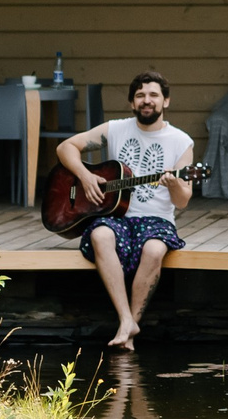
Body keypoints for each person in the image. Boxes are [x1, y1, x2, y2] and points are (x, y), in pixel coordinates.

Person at [59, 70, 195, 351]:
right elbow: (66, 147)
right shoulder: (115, 129)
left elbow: (182, 201)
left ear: (165, 101)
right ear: (132, 103)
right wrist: (84, 175)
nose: (147, 100)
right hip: (116, 215)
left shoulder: (181, 142)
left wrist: (173, 185)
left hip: (157, 220)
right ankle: (125, 320)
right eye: (140, 95)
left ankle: (130, 325)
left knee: (155, 250)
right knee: (100, 236)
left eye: (153, 95)